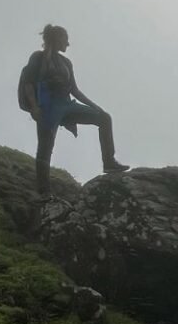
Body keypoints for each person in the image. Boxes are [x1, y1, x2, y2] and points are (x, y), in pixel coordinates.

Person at [20, 24, 129, 196]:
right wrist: (34, 107)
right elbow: (28, 83)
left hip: (67, 105)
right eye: (65, 39)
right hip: (47, 106)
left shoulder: (66, 63)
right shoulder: (38, 57)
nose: (68, 44)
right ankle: (43, 192)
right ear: (57, 39)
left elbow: (75, 90)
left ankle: (109, 162)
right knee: (45, 146)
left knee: (104, 118)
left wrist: (96, 108)